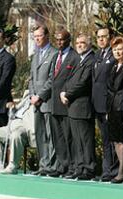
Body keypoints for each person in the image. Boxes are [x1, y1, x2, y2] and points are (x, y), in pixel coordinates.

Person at [60, 33, 96, 180]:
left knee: (86, 140)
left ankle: (89, 168)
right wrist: (63, 91)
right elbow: (69, 79)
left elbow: (83, 83)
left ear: (89, 44)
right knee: (77, 140)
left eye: (83, 42)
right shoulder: (79, 60)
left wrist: (67, 94)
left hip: (83, 107)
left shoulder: (91, 60)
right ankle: (80, 167)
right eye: (78, 42)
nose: (80, 45)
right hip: (73, 107)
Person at [48, 28, 79, 178]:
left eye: (62, 39)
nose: (59, 42)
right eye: (57, 39)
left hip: (66, 104)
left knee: (69, 137)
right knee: (58, 138)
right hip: (54, 103)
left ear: (68, 40)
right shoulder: (56, 56)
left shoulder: (74, 57)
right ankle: (62, 165)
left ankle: (72, 167)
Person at [28, 25, 58, 176]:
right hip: (36, 102)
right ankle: (43, 165)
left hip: (47, 101)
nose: (37, 39)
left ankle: (52, 166)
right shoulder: (35, 55)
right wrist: (32, 95)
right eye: (35, 36)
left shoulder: (54, 53)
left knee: (50, 134)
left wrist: (40, 96)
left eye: (39, 36)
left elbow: (52, 79)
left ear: (47, 36)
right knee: (40, 135)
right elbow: (32, 78)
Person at [0, 90, 36, 174]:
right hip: (13, 124)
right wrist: (12, 106)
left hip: (25, 126)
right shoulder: (26, 95)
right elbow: (18, 107)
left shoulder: (37, 97)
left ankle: (13, 165)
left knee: (16, 135)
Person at [92, 26, 117, 181]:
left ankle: (113, 171)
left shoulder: (113, 56)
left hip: (108, 105)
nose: (101, 39)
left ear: (110, 37)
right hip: (97, 104)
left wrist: (109, 106)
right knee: (105, 140)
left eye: (104, 36)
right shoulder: (97, 55)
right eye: (98, 37)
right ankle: (106, 170)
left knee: (111, 140)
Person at [106, 36, 123, 183]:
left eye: (120, 49)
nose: (117, 52)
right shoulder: (113, 66)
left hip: (122, 108)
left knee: (122, 140)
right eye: (114, 49)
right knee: (115, 139)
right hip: (112, 108)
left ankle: (122, 171)